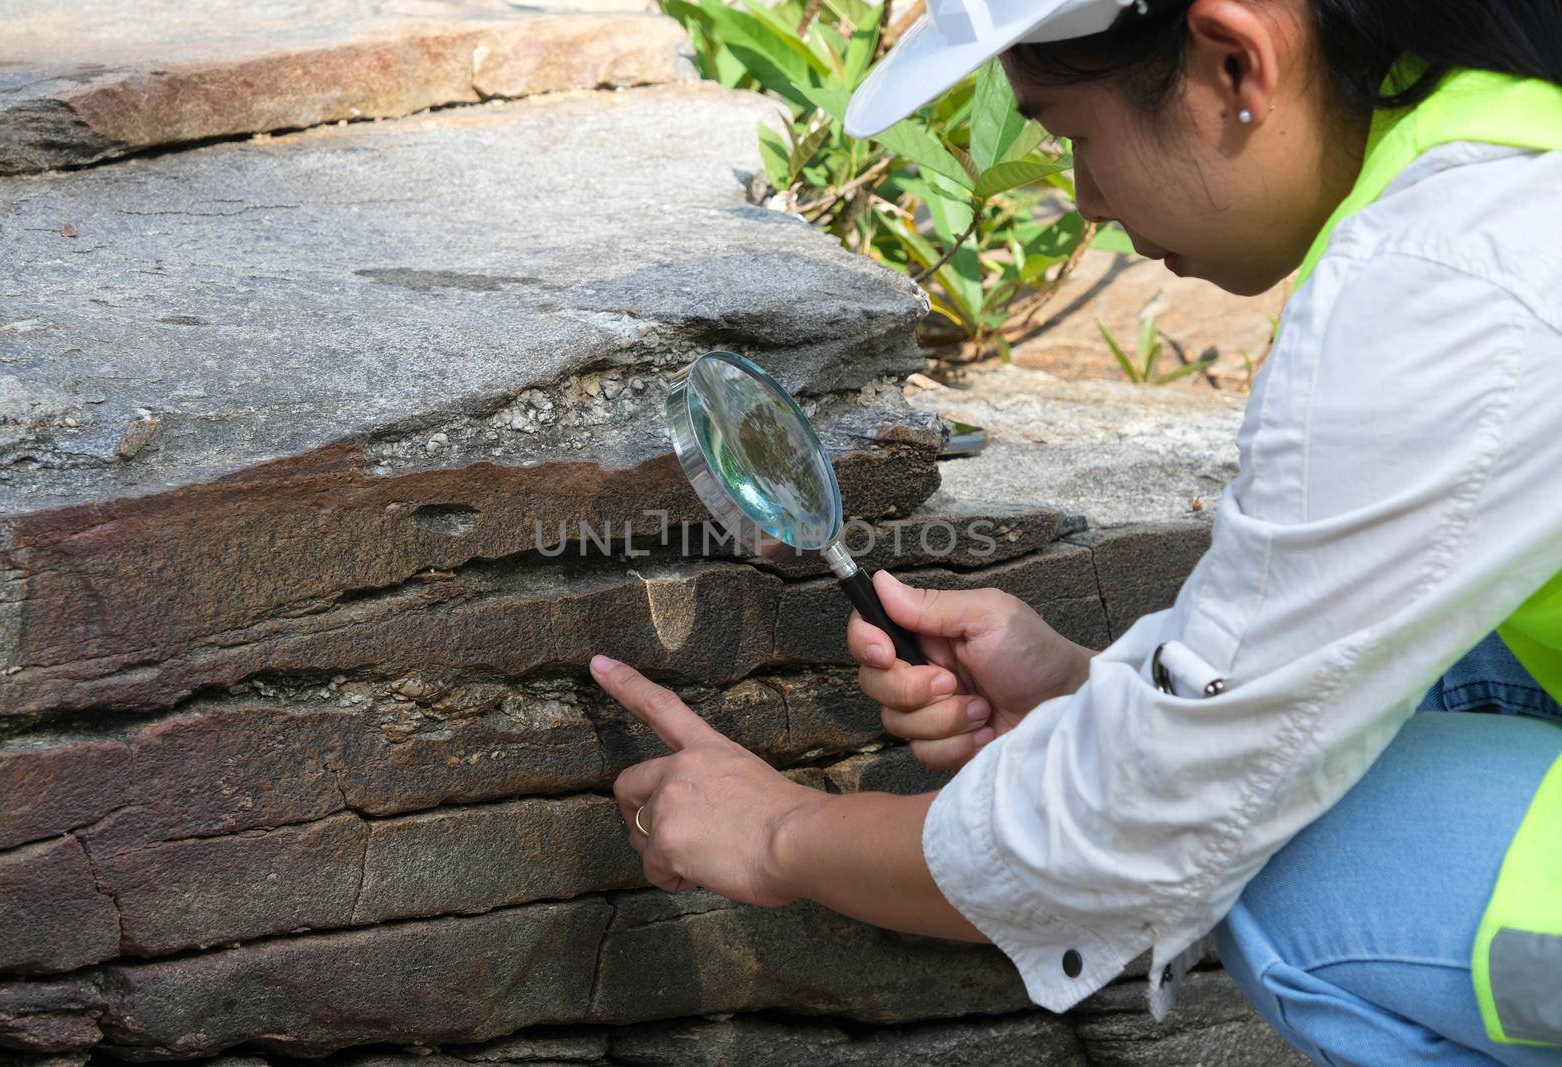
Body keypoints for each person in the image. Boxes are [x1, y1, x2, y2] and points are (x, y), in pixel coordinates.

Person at [588, 0, 1562, 1061]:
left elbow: (1148, 831)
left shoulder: (1441, 282)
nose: (1086, 201)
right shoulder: (1507, 138)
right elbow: (1304, 658)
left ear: (1234, 61)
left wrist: (780, 834)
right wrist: (1083, 690)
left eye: (1071, 136)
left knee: (1289, 869)